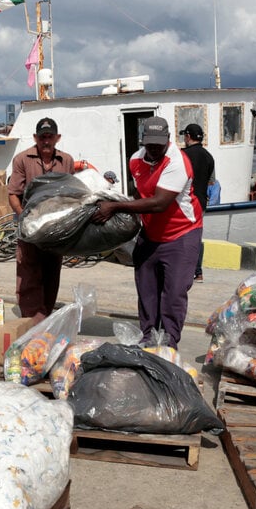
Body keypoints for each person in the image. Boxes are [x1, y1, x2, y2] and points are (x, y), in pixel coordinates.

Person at [91, 116, 201, 349]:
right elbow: (141, 196)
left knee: (173, 294)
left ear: (169, 139)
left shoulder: (177, 161)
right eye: (149, 144)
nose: (153, 149)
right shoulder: (135, 161)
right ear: (143, 141)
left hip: (181, 233)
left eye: (158, 144)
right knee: (147, 290)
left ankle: (169, 342)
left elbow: (159, 203)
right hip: (150, 234)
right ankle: (149, 336)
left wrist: (115, 207)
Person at [7, 118, 75, 323]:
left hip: (56, 228)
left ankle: (45, 314)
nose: (46, 141)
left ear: (57, 138)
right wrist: (24, 218)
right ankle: (31, 318)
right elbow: (13, 193)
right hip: (30, 227)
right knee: (29, 270)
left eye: (50, 136)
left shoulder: (67, 160)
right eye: (42, 137)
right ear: (36, 138)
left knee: (52, 271)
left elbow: (72, 192)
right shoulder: (21, 159)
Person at [180, 123, 215, 283]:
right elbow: (211, 182)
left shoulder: (182, 155)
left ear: (188, 136)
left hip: (184, 202)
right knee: (196, 237)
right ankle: (198, 272)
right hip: (200, 203)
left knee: (179, 236)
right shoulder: (209, 157)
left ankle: (182, 270)